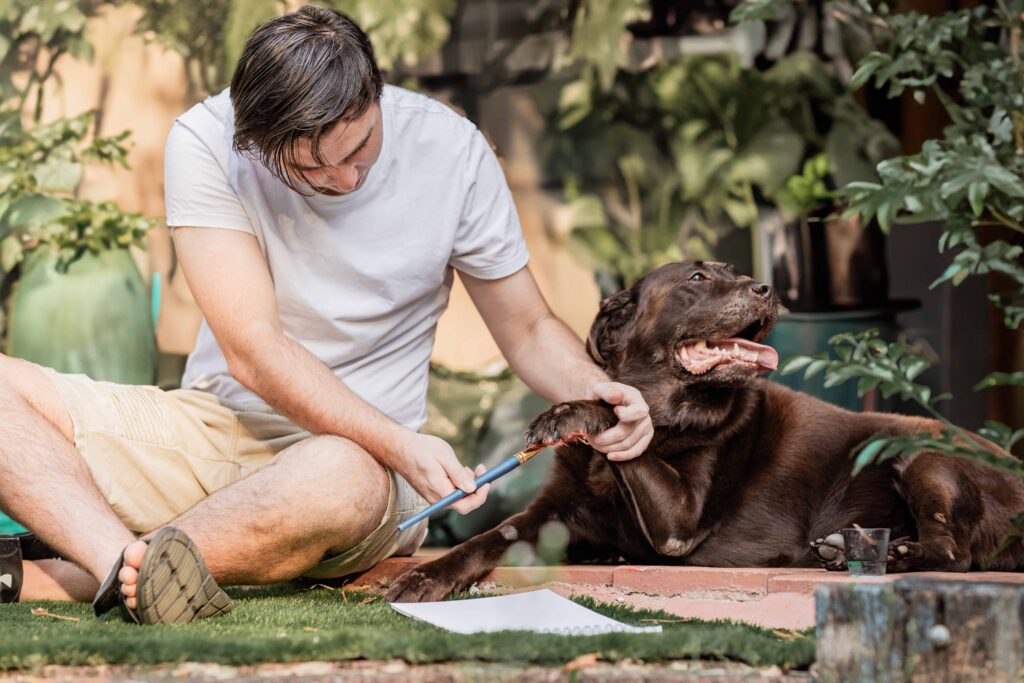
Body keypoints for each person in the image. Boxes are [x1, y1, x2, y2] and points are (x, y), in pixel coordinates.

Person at [0, 5, 653, 623]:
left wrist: (595, 390)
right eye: (311, 169)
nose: (345, 180)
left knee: (340, 478)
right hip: (213, 427)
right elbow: (253, 348)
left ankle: (109, 567)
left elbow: (529, 326)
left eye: (360, 147)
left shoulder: (453, 153)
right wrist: (409, 445)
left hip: (360, 462)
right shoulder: (204, 140)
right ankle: (128, 568)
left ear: (377, 92)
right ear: (253, 142)